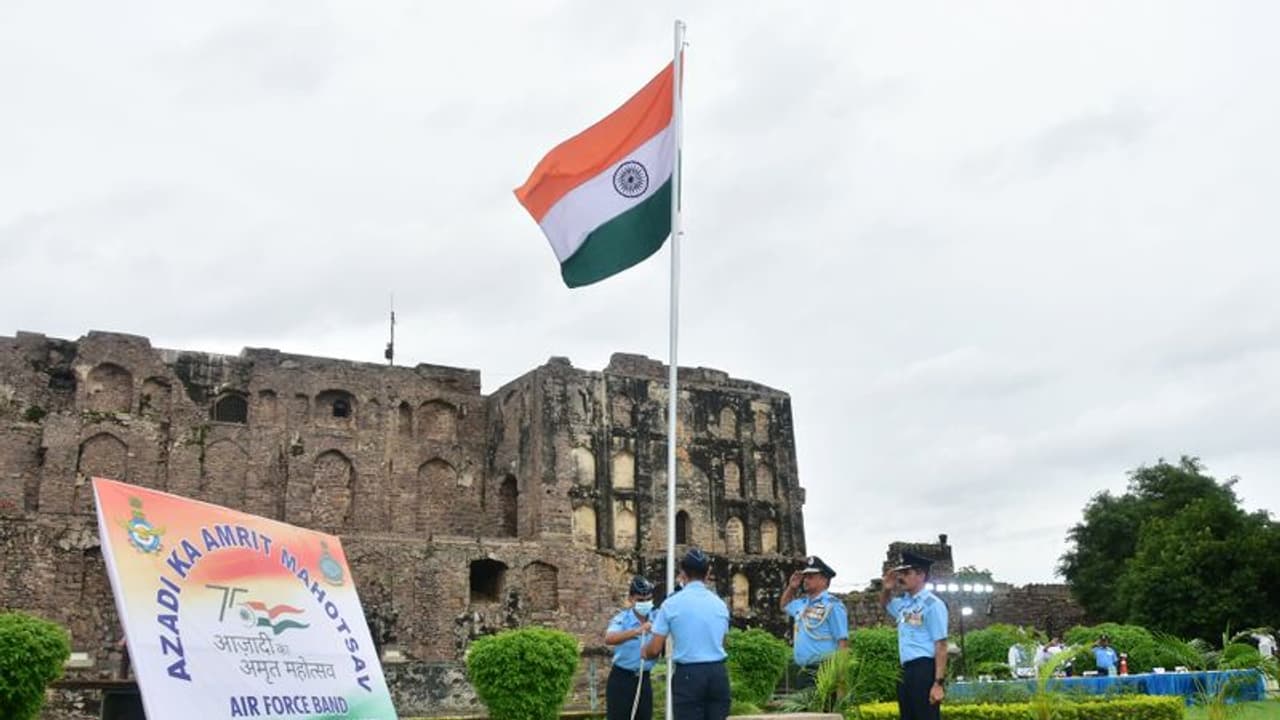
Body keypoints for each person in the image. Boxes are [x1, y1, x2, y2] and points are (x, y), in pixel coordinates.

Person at [643, 548, 730, 720]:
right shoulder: (720, 604)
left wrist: (645, 652)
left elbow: (654, 649)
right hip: (718, 673)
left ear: (682, 574)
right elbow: (723, 641)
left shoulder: (672, 604)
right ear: (708, 574)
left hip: (690, 674)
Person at [880, 551, 949, 720]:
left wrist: (938, 683)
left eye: (906, 573)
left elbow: (941, 645)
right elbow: (885, 604)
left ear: (921, 575)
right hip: (906, 670)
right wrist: (887, 589)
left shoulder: (932, 604)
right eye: (901, 573)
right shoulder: (903, 604)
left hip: (924, 669)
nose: (901, 578)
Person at [780, 555, 849, 688]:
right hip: (803, 669)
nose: (805, 580)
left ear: (824, 580)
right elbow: (784, 605)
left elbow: (842, 641)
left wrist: (841, 679)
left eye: (811, 577)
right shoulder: (803, 603)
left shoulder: (832, 605)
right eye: (805, 576)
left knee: (822, 708)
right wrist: (792, 587)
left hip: (824, 669)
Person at [605, 575, 657, 720]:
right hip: (622, 678)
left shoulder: (657, 618)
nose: (645, 603)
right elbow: (609, 638)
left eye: (648, 599)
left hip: (644, 678)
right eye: (640, 600)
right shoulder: (622, 619)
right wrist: (636, 631)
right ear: (631, 599)